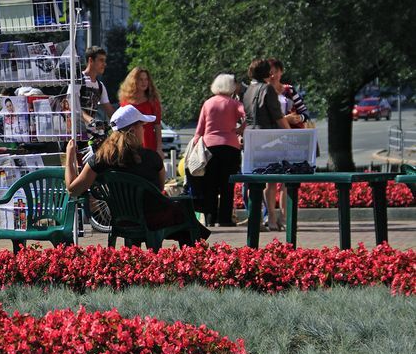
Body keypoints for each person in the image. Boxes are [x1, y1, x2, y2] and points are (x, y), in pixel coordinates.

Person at [65, 105, 209, 247]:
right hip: (153, 220)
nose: (144, 131)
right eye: (142, 127)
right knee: (186, 216)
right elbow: (159, 188)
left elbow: (73, 190)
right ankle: (194, 261)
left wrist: (69, 156)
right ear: (133, 131)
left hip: (122, 219)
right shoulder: (153, 158)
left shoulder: (101, 159)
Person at [242, 58, 293, 231]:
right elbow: (278, 117)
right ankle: (272, 218)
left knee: (255, 181)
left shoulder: (248, 90)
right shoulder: (267, 89)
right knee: (271, 179)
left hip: (251, 137)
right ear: (268, 73)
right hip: (268, 137)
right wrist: (291, 134)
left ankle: (255, 218)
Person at [192, 74, 246, 227]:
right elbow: (248, 116)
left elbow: (199, 129)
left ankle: (210, 218)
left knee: (210, 185)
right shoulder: (235, 104)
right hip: (230, 147)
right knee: (227, 186)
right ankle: (225, 219)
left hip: (210, 148)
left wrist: (197, 144)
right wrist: (240, 129)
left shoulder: (208, 103)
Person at [119, 67, 163, 157]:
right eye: (141, 79)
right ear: (133, 81)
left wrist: (159, 147)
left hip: (149, 141)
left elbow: (157, 125)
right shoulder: (125, 101)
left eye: (146, 79)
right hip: (130, 143)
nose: (144, 82)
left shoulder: (153, 100)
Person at [76, 46, 117, 140]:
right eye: (101, 60)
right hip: (75, 135)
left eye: (105, 61)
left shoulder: (100, 86)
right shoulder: (77, 80)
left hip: (91, 135)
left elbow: (109, 110)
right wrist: (90, 120)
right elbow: (73, 107)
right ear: (91, 60)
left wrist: (124, 121)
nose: (104, 64)